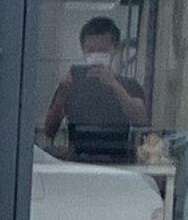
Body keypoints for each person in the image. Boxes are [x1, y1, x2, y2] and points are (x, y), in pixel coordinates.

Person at [41, 15, 148, 163]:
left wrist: (115, 86)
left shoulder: (128, 85)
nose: (96, 55)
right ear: (83, 49)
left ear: (115, 49)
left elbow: (141, 120)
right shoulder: (73, 83)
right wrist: (62, 91)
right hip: (78, 162)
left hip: (118, 163)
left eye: (103, 50)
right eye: (90, 50)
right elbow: (49, 130)